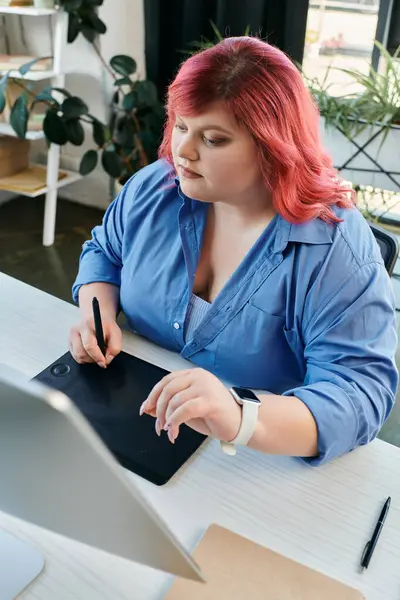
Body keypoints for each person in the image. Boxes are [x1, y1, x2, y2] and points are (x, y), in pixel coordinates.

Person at [70, 36, 398, 465]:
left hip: (252, 459)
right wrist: (96, 313)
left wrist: (240, 415)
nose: (182, 151)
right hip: (135, 416)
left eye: (213, 139)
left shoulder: (335, 249)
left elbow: (359, 395)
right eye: (182, 126)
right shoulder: (158, 186)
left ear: (272, 148)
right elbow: (105, 250)